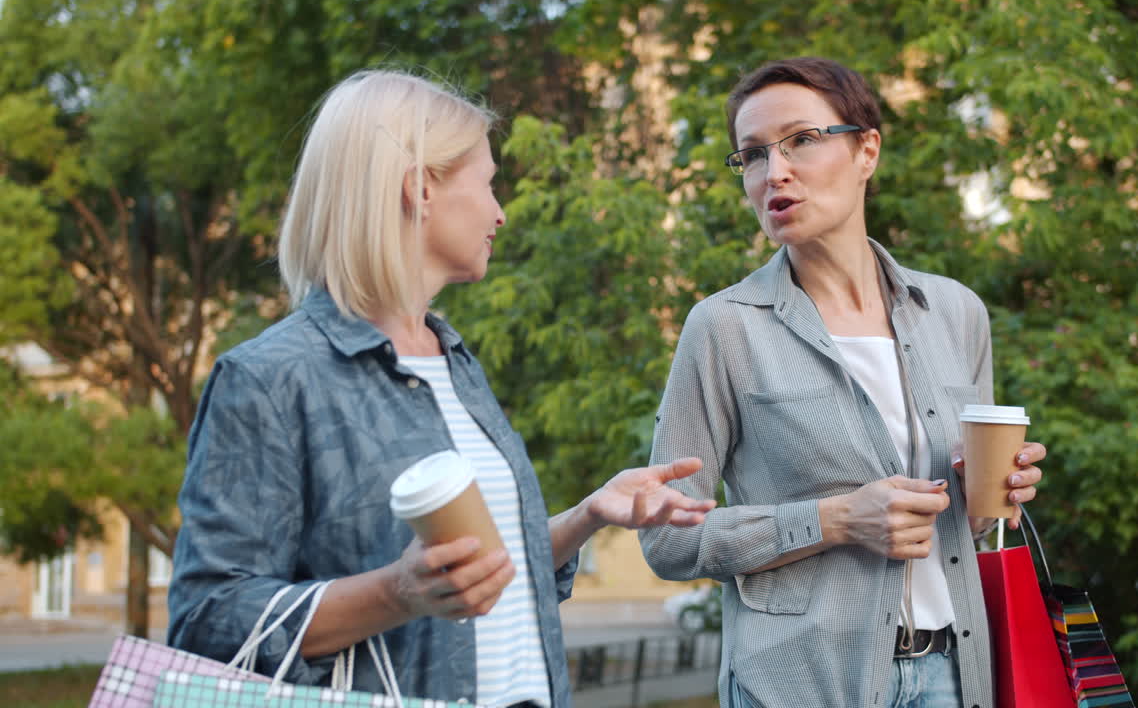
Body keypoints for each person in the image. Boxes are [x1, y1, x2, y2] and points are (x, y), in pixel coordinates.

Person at [166, 69, 715, 708]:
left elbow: (478, 574)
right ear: (420, 188)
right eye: (486, 184)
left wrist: (586, 515)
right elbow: (207, 620)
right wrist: (395, 594)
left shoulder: (454, 361)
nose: (500, 212)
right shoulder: (268, 378)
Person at [638, 57, 1047, 708]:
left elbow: (962, 530)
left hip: (952, 676)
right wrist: (836, 520)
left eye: (801, 140)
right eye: (751, 155)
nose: (775, 173)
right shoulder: (724, 329)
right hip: (800, 685)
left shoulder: (955, 313)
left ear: (866, 151)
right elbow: (667, 539)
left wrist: (992, 493)